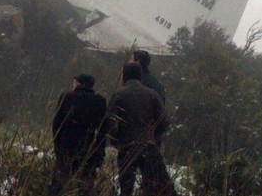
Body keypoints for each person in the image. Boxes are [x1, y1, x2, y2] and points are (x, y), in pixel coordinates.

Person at [104, 62, 177, 196]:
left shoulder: (119, 94)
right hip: (148, 146)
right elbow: (164, 121)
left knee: (126, 188)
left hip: (127, 147)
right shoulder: (152, 94)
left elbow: (110, 123)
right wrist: (153, 136)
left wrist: (116, 142)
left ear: (125, 75)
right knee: (154, 186)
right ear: (140, 75)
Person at [49, 74, 107, 196]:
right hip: (88, 149)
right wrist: (99, 151)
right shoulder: (99, 101)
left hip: (66, 147)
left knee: (58, 184)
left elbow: (57, 125)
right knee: (85, 186)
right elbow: (103, 130)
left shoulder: (66, 97)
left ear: (78, 83)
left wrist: (57, 147)